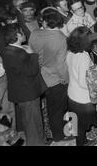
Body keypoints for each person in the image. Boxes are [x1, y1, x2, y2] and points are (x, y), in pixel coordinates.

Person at [1, 24, 46, 146]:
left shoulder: (7, 50)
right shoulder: (18, 54)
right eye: (21, 32)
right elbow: (32, 71)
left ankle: (39, 141)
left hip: (22, 92)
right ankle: (37, 144)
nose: (24, 33)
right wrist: (32, 55)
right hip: (28, 93)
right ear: (17, 35)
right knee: (33, 123)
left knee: (30, 121)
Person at [29, 10, 69, 142]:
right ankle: (59, 135)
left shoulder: (34, 34)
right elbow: (61, 64)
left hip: (40, 76)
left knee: (49, 107)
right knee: (58, 109)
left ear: (45, 22)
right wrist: (66, 79)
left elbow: (31, 54)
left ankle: (51, 130)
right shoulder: (61, 38)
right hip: (56, 79)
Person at [66, 27, 97, 146]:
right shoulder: (84, 56)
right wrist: (96, 86)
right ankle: (81, 143)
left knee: (76, 123)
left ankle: (81, 141)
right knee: (82, 126)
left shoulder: (70, 52)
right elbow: (83, 82)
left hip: (72, 93)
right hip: (82, 98)